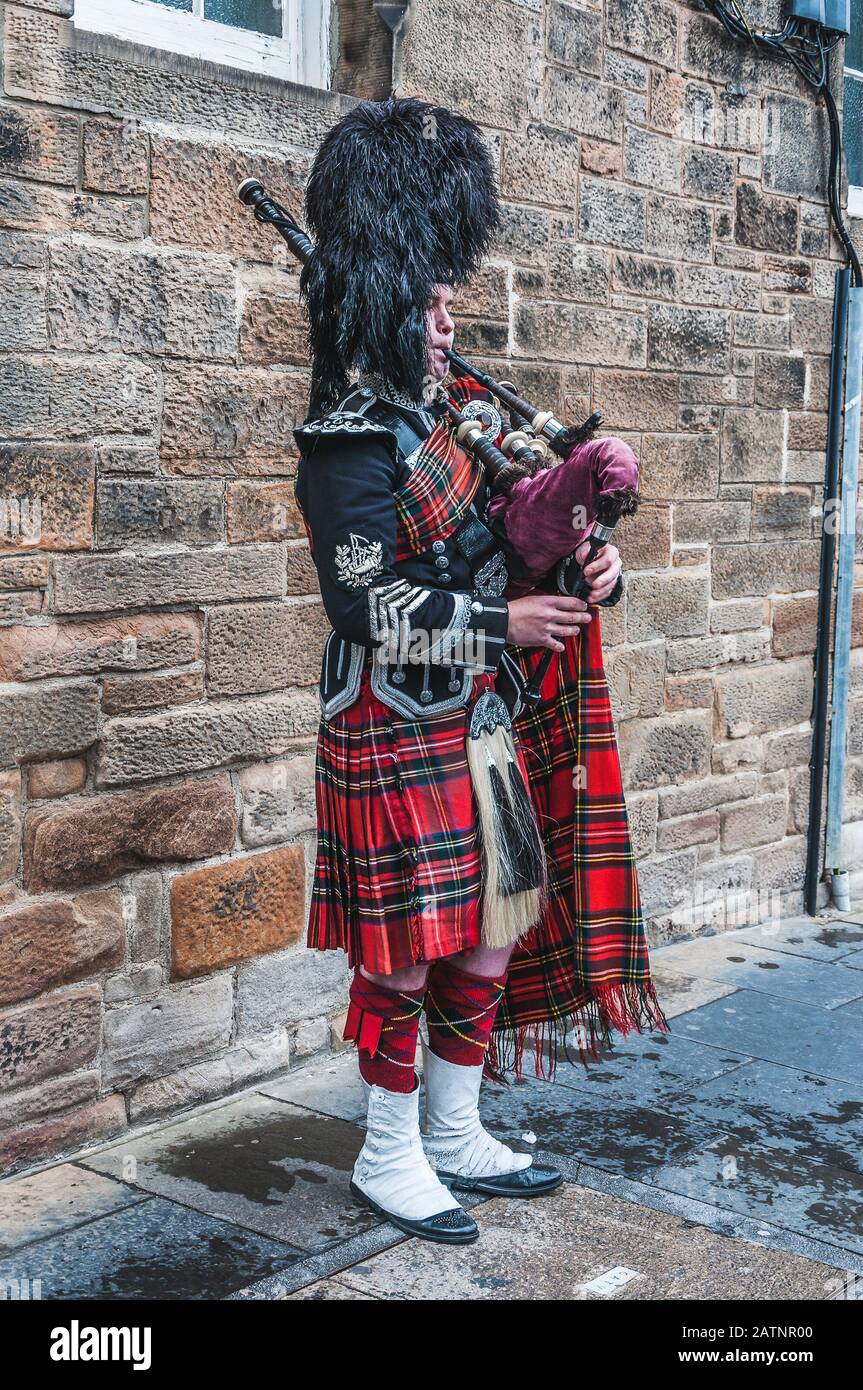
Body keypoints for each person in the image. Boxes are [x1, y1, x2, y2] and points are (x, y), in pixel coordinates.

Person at [293, 96, 668, 1246]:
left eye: (452, 294)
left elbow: (530, 518)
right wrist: (502, 624)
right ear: (382, 299)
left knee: (491, 930)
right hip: (391, 722)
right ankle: (389, 1150)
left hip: (482, 723)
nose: (450, 313)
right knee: (404, 958)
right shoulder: (348, 442)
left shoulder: (464, 418)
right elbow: (364, 603)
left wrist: (592, 555)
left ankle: (455, 1133)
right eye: (433, 297)